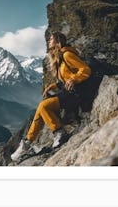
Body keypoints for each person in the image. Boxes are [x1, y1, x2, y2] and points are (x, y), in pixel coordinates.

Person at [11, 32, 91, 162]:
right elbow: (63, 79)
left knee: (44, 106)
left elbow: (86, 70)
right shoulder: (59, 58)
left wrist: (74, 79)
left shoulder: (67, 55)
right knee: (40, 109)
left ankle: (59, 132)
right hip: (68, 93)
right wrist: (51, 87)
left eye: (51, 39)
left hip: (76, 94)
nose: (48, 41)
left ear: (58, 41)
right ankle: (26, 143)